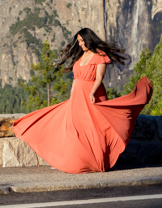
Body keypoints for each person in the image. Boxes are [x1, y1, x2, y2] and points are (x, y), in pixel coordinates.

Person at [12, 28, 153, 174]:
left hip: (93, 95)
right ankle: (72, 160)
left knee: (95, 129)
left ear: (88, 39)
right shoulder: (82, 56)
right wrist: (73, 96)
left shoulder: (100, 55)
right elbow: (76, 79)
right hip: (78, 96)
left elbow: (99, 78)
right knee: (75, 129)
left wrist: (92, 93)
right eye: (78, 41)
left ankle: (97, 161)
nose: (80, 44)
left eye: (81, 40)